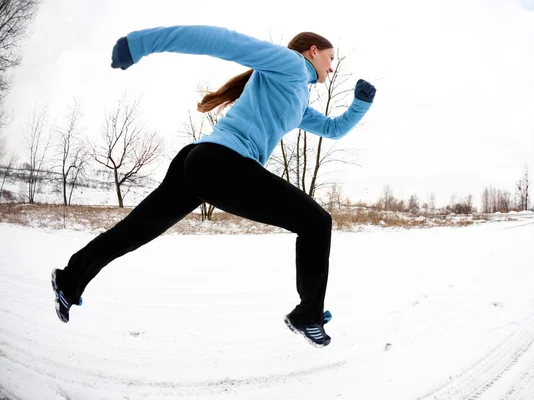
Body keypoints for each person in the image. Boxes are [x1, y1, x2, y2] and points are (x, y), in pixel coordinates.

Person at [51, 25, 376, 348]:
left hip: (199, 164)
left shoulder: (298, 99)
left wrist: (360, 104)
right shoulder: (289, 63)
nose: (332, 67)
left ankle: (70, 279)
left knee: (134, 231)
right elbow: (223, 41)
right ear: (313, 52)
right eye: (330, 58)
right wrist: (140, 44)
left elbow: (332, 129)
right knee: (316, 222)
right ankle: (308, 314)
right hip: (222, 163)